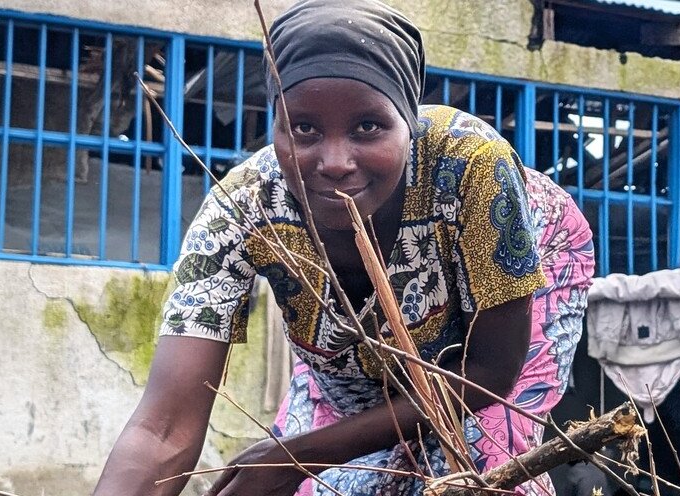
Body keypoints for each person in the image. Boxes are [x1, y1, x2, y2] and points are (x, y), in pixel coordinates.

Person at [91, 0, 594, 495]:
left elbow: (489, 372)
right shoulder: (241, 210)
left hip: (523, 292)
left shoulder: (472, 167)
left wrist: (300, 455)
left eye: (368, 127)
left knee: (478, 461)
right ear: (276, 128)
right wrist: (301, 460)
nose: (334, 162)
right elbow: (162, 428)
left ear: (408, 122)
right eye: (304, 128)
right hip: (356, 360)